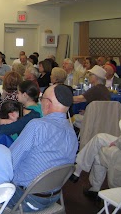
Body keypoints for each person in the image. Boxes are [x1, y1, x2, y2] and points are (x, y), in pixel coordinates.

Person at [6, 84, 78, 212]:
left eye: (42, 99)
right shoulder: (71, 131)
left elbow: (9, 162)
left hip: (25, 199)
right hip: (53, 196)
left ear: (48, 103)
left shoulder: (37, 126)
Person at [69, 119, 121, 199]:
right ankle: (79, 172)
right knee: (99, 138)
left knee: (98, 153)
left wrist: (116, 142)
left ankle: (93, 186)